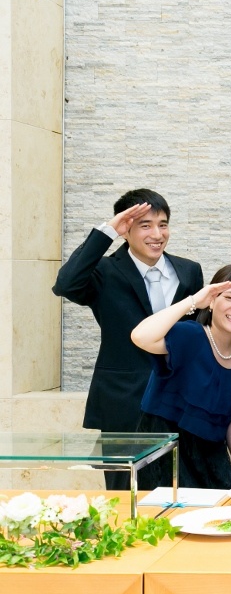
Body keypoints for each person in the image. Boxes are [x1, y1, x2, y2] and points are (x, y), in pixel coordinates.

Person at [52, 189, 204, 490]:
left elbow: (196, 334)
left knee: (181, 487)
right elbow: (66, 284)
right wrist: (107, 232)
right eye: (145, 225)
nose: (157, 234)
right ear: (126, 229)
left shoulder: (189, 271)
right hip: (124, 402)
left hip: (180, 399)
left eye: (163, 224)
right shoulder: (104, 271)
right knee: (125, 490)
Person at [131, 265, 231, 489]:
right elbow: (140, 336)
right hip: (166, 451)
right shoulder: (190, 334)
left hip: (211, 452)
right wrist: (193, 301)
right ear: (211, 302)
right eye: (229, 297)